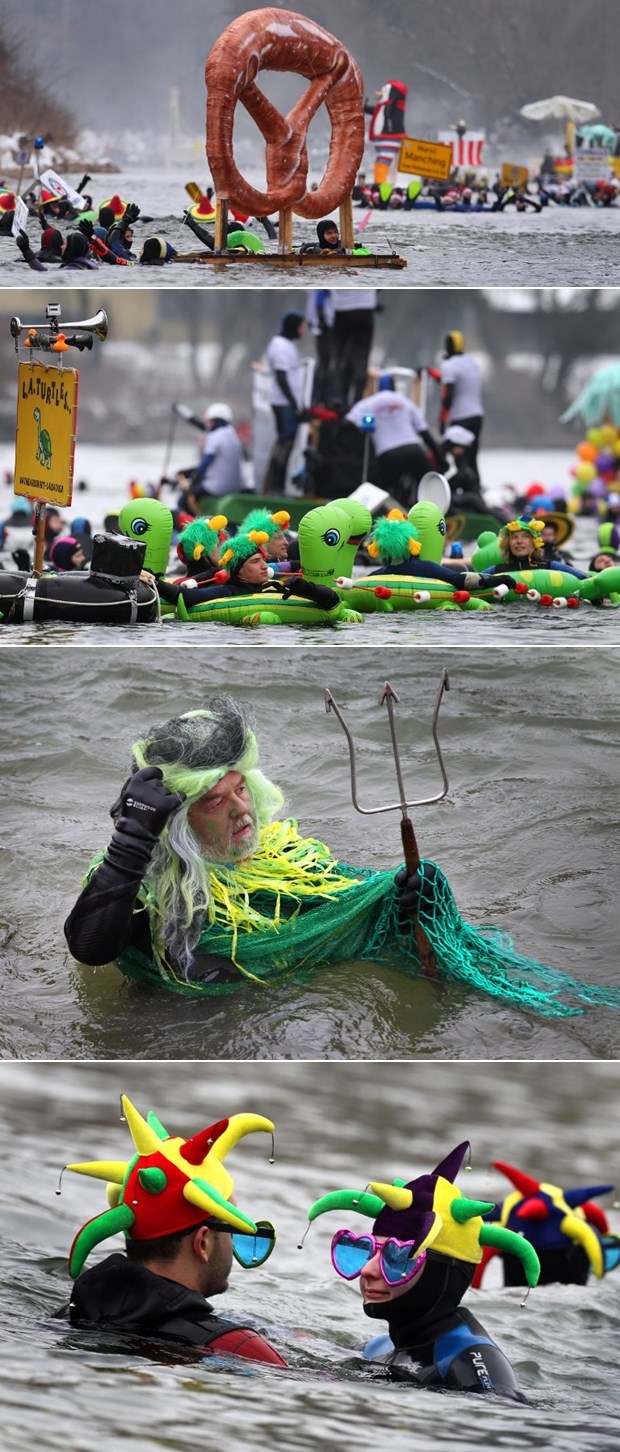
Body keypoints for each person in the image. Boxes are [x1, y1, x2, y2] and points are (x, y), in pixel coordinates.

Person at [55, 1091, 287, 1367]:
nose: (232, 1244)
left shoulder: (71, 1313)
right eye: (231, 1230)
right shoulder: (238, 1347)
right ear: (203, 1243)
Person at [303, 1139, 538, 1398]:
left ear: (441, 1274)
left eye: (398, 1257)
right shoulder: (378, 1347)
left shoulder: (473, 1362)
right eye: (369, 1250)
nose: (368, 1270)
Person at [472, 1160, 619, 1290]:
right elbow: (597, 1224)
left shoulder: (508, 1217)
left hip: (516, 1263)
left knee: (516, 1293)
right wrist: (600, 1270)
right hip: (569, 1266)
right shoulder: (578, 1217)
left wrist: (475, 1288)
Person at [346, 375, 442, 508]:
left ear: (378, 387)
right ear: (394, 387)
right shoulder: (406, 402)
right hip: (413, 450)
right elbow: (424, 432)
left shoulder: (367, 404)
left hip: (387, 453)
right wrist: (439, 456)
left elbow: (347, 423)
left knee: (385, 491)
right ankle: (436, 512)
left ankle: (388, 516)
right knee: (428, 482)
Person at [263, 312, 308, 494]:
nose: (303, 330)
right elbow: (282, 377)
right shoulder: (281, 346)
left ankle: (276, 484)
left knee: (284, 442)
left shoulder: (285, 344)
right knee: (285, 443)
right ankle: (276, 485)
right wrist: (294, 404)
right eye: (301, 326)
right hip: (283, 403)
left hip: (286, 402)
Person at [435, 333, 484, 484]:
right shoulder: (472, 362)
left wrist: (442, 422)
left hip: (461, 418)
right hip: (477, 417)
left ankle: (456, 489)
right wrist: (432, 373)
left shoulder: (449, 365)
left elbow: (447, 396)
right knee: (472, 458)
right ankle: (476, 489)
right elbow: (459, 383)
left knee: (459, 458)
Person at [182, 403, 248, 505]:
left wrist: (194, 479)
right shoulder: (232, 433)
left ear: (215, 420)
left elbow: (206, 461)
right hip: (237, 487)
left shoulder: (216, 435)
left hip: (218, 488)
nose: (208, 424)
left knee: (184, 500)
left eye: (210, 421)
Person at [330, 290, 379, 410]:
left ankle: (337, 397)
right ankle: (357, 400)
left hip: (341, 309)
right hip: (365, 308)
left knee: (338, 355)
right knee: (362, 356)